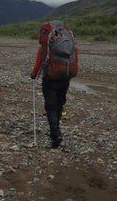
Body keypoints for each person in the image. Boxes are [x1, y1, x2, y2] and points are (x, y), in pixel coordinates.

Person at [31, 21, 78, 149]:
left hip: (50, 79)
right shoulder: (70, 46)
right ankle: (55, 128)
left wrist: (33, 75)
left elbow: (39, 63)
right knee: (59, 104)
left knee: (50, 106)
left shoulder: (46, 47)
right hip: (65, 78)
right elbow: (75, 59)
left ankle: (55, 134)